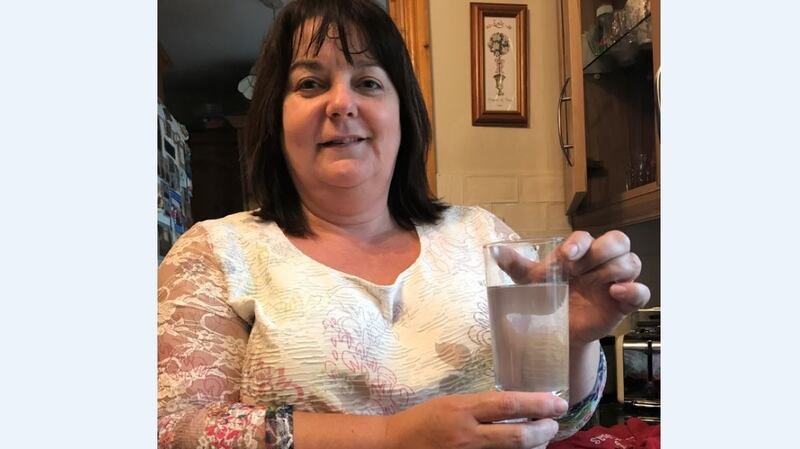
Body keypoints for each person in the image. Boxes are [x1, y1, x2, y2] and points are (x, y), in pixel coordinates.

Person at [157, 1, 650, 448]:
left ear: (403, 114)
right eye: (310, 83)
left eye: (369, 82)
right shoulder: (214, 254)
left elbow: (559, 421)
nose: (341, 104)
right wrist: (391, 437)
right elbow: (175, 429)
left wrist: (572, 341)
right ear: (274, 118)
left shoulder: (484, 236)